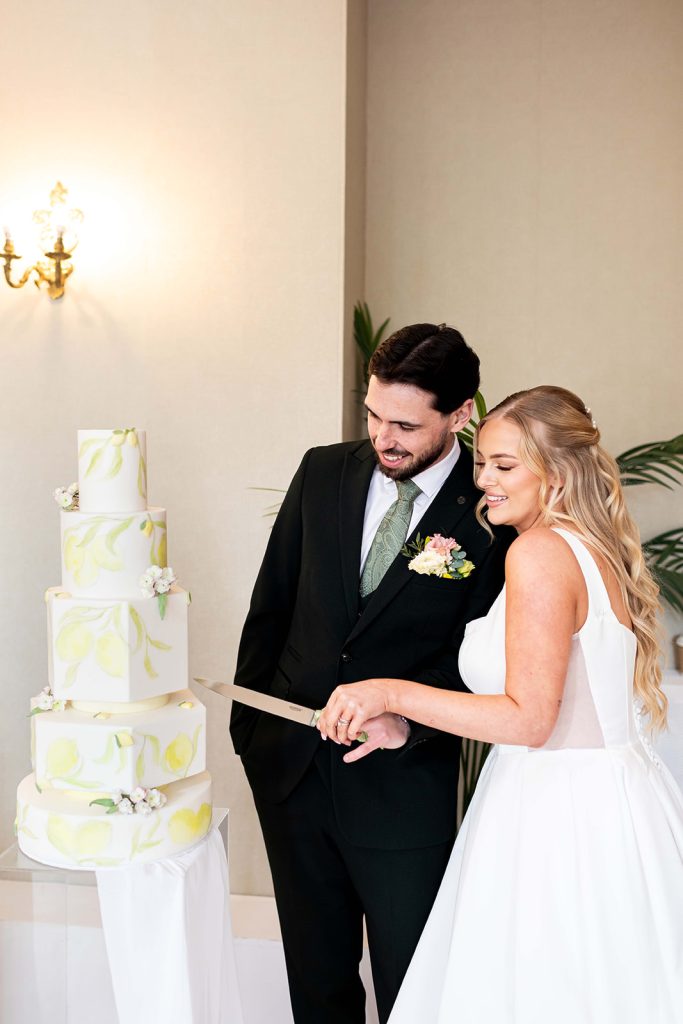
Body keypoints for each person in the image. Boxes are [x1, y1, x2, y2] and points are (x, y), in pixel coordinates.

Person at [317, 385, 683, 1023]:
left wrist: (388, 690)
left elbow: (530, 719)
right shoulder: (590, 550)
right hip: (610, 807)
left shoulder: (540, 554)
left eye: (504, 466)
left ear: (558, 472)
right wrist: (406, 723)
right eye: (482, 461)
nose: (483, 479)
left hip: (555, 819)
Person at [230, 323, 514, 1023]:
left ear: (459, 415)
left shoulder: (495, 514)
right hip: (293, 775)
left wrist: (407, 723)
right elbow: (271, 607)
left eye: (405, 424)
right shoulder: (322, 471)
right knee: (315, 981)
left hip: (403, 791)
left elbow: (486, 664)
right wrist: (255, 740)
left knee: (413, 985)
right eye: (372, 414)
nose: (384, 436)